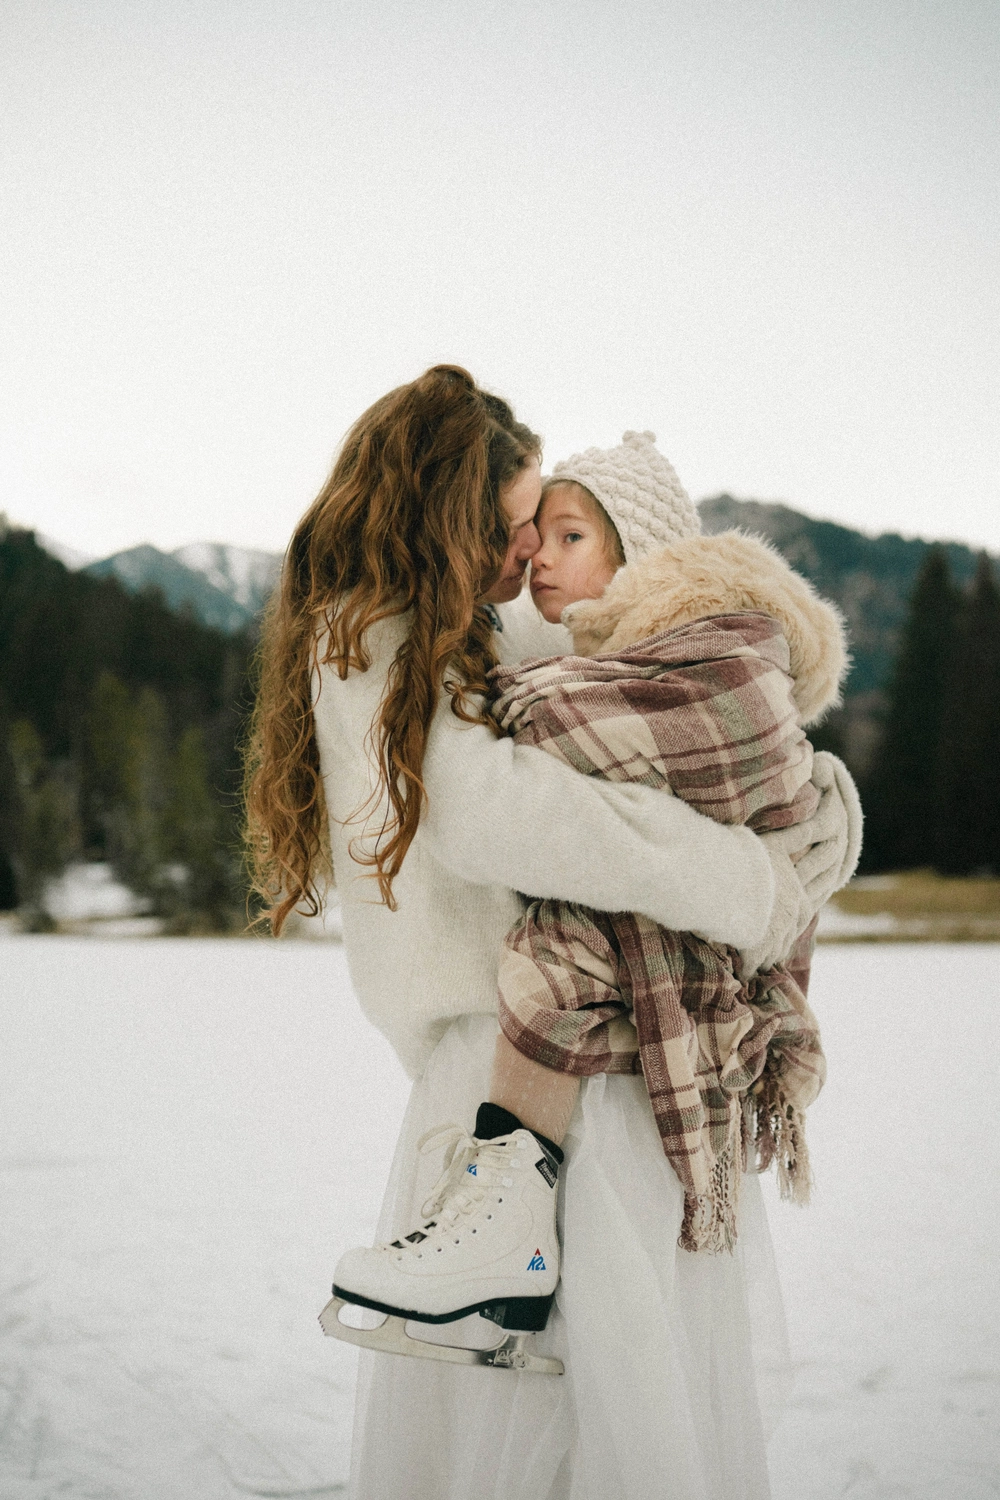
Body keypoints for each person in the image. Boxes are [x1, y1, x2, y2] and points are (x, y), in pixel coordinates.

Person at [244, 367, 860, 1499]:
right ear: (453, 513)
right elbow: (499, 815)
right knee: (550, 1432)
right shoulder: (378, 638)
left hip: (575, 1068)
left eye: (544, 528)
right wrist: (747, 884)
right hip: (524, 1076)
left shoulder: (470, 633)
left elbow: (683, 680)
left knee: (596, 1418)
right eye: (517, 522)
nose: (530, 554)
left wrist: (816, 804)